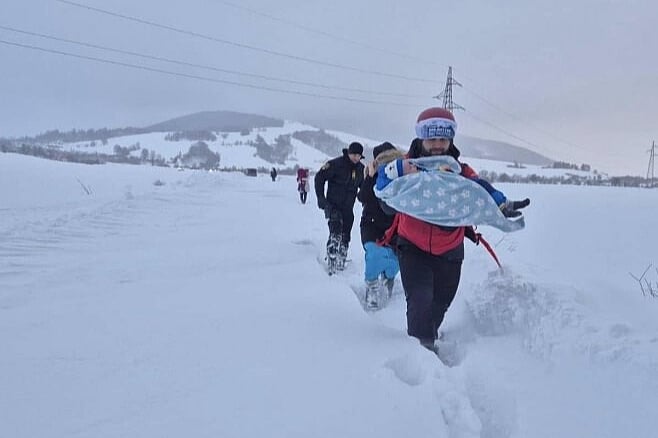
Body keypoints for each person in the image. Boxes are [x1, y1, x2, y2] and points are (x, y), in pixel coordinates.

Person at [377, 107, 530, 352]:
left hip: (450, 250)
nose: (438, 144)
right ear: (421, 138)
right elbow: (382, 182)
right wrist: (390, 192)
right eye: (432, 138)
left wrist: (501, 203)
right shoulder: (405, 166)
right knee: (419, 301)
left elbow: (482, 189)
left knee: (440, 303)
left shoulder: (461, 171)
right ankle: (421, 352)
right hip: (412, 246)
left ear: (450, 139)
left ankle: (430, 334)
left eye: (443, 139)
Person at [357, 142, 404, 309]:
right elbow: (362, 197)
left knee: (396, 259)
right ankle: (372, 286)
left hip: (396, 227)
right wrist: (370, 177)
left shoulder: (402, 176)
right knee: (374, 254)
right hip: (371, 225)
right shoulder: (371, 176)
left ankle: (388, 278)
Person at [314, 142, 365, 272]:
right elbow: (319, 177)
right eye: (353, 154)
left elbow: (364, 188)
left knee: (346, 236)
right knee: (335, 233)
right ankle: (331, 261)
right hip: (333, 206)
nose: (355, 157)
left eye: (358, 155)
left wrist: (366, 201)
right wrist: (321, 197)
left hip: (348, 208)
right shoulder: (335, 164)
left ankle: (341, 261)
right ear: (348, 153)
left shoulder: (361, 170)